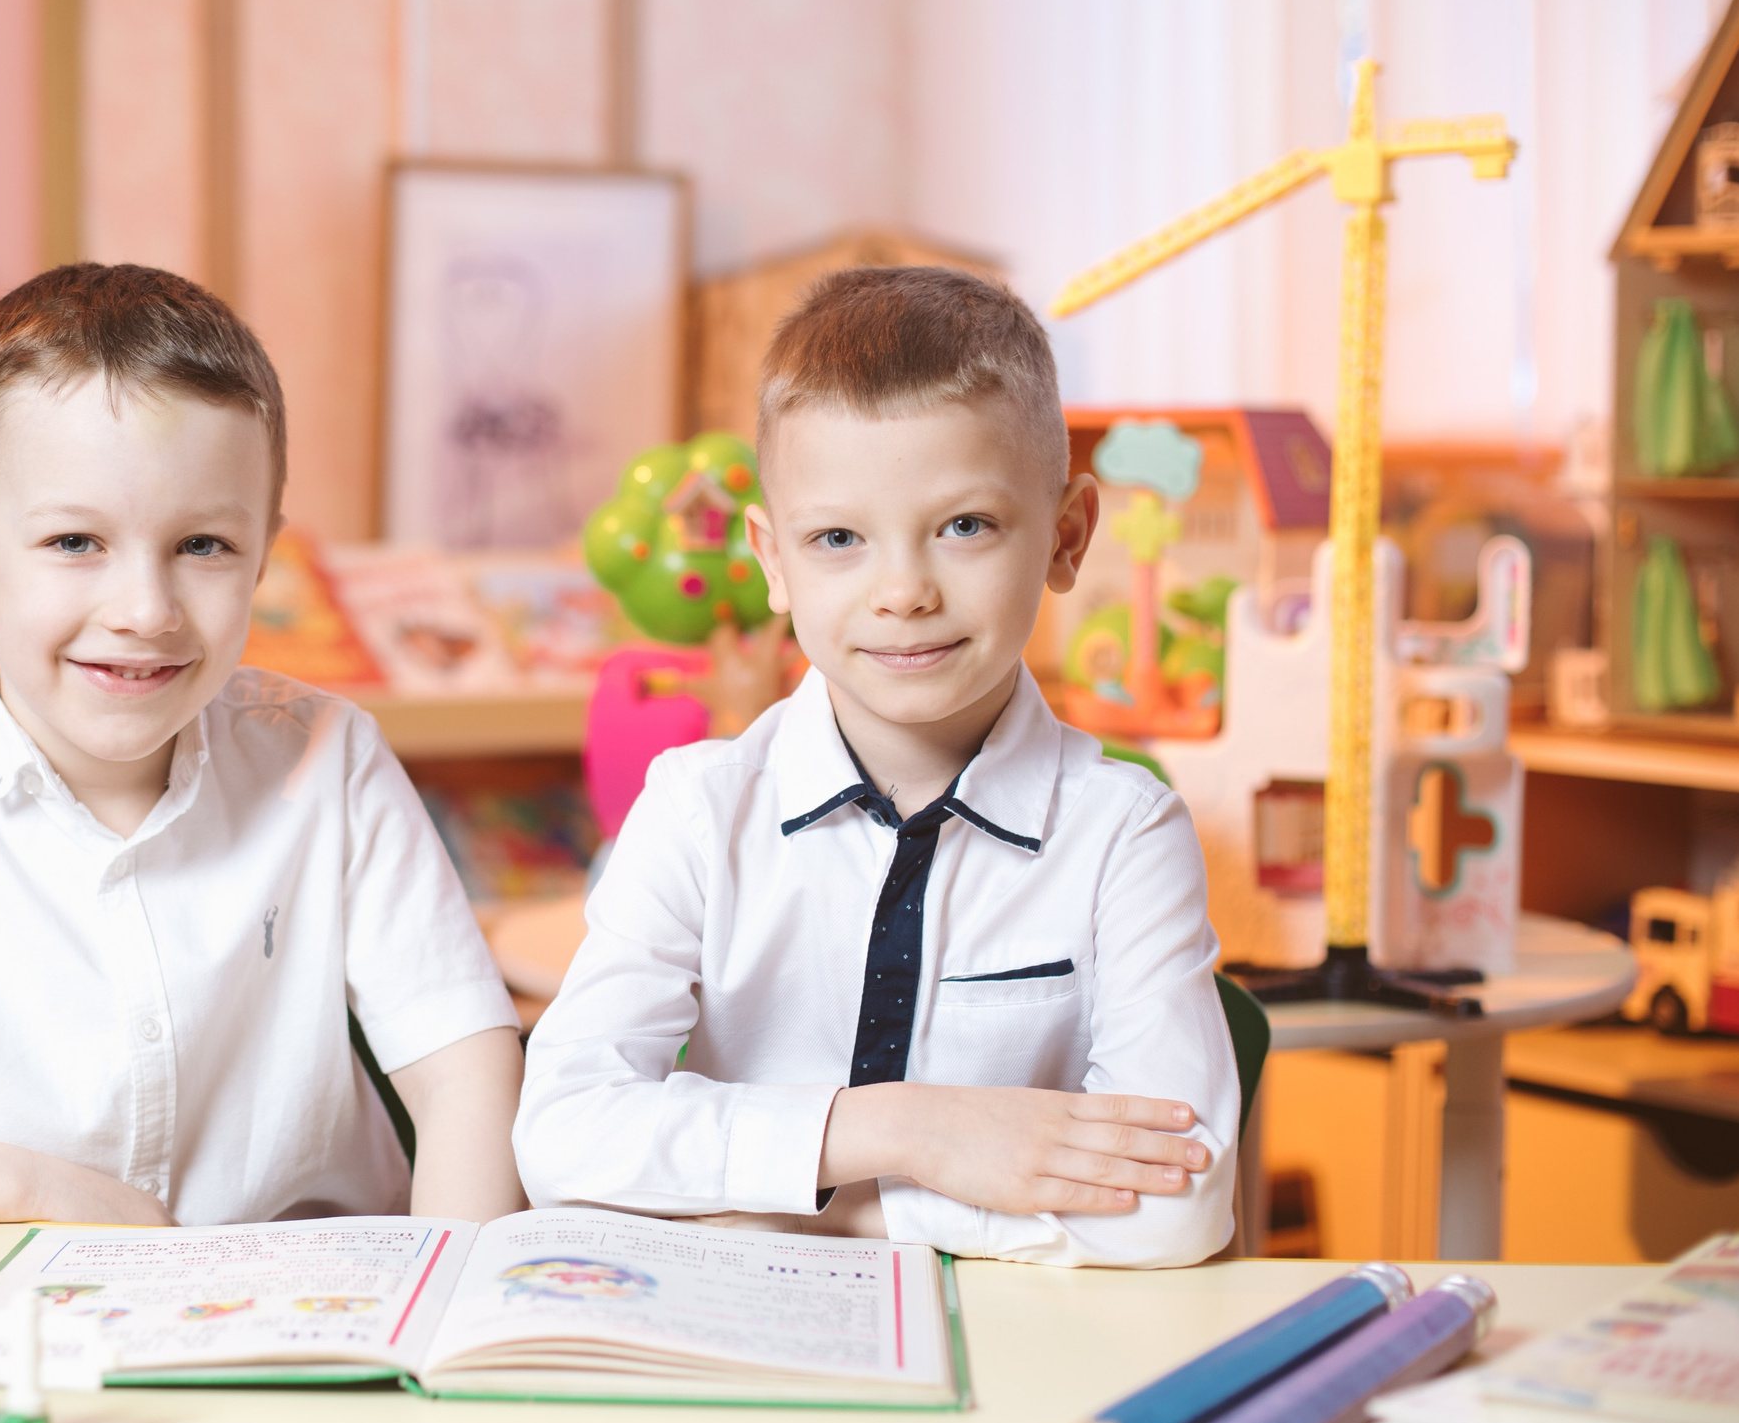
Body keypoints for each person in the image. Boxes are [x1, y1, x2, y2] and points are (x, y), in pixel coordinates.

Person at [0, 264, 527, 1229]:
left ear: (262, 556)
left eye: (204, 546)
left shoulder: (331, 757)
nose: (145, 612)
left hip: (309, 1330)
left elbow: (468, 1074)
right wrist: (26, 1189)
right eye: (75, 542)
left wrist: (453, 1310)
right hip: (11, 1327)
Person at [513, 266, 1238, 1267]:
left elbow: (1177, 1207)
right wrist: (909, 1131)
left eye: (964, 527)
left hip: (1019, 1369)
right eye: (838, 538)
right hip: (750, 1355)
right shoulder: (697, 808)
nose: (901, 591)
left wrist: (829, 1213)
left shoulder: (1123, 832)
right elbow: (561, 1137)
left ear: (1065, 536)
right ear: (772, 558)